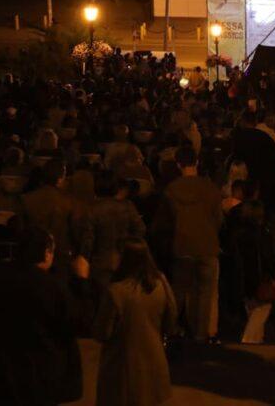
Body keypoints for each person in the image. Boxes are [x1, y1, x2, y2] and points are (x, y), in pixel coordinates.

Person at [0, 226, 95, 405]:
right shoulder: (51, 287)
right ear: (47, 253)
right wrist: (81, 282)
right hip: (40, 377)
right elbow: (81, 323)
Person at [93, 237, 177, 406]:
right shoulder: (160, 283)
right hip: (154, 358)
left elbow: (103, 332)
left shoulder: (116, 291)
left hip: (122, 364)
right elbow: (171, 317)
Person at [165, 145, 222, 342]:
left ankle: (169, 330)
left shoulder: (172, 190)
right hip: (207, 245)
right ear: (197, 162)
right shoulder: (210, 188)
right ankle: (200, 334)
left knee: (179, 291)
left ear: (178, 164)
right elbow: (218, 219)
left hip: (182, 245)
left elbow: (168, 221)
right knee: (205, 293)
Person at [81, 175, 146, 285]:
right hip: (124, 260)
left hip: (100, 262)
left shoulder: (91, 209)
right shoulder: (127, 206)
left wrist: (85, 258)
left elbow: (88, 240)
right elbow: (141, 229)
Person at [23, 159, 77, 277]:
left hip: (31, 254)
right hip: (60, 256)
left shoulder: (27, 199)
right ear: (61, 178)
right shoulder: (68, 202)